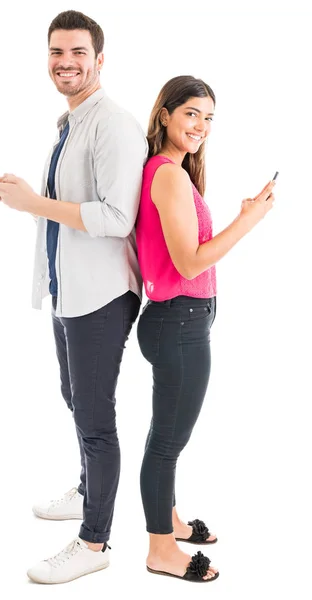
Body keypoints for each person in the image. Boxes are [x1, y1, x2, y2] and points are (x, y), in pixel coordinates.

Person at [0, 10, 148, 585]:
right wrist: (23, 197)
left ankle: (95, 540)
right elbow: (69, 206)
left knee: (96, 419)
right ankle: (88, 490)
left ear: (100, 61)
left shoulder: (114, 124)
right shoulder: (69, 122)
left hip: (103, 294)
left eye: (78, 52)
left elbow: (115, 216)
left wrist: (34, 203)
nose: (66, 62)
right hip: (69, 290)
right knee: (72, 395)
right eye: (57, 52)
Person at [135, 75, 275, 583]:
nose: (201, 126)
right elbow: (190, 264)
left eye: (209, 117)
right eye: (192, 113)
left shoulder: (174, 171)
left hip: (180, 322)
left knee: (166, 435)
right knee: (167, 443)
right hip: (179, 324)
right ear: (166, 114)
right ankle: (160, 550)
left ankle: (168, 519)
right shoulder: (167, 174)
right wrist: (249, 220)